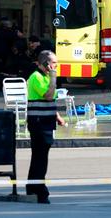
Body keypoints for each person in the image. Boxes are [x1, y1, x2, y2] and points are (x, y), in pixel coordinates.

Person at [26, 50, 66, 203]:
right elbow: (48, 95)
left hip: (47, 122)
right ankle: (39, 190)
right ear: (45, 64)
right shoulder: (36, 77)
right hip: (38, 123)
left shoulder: (46, 77)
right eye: (54, 62)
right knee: (39, 158)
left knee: (41, 157)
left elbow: (49, 101)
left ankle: (34, 188)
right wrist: (54, 76)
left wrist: (57, 116)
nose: (56, 65)